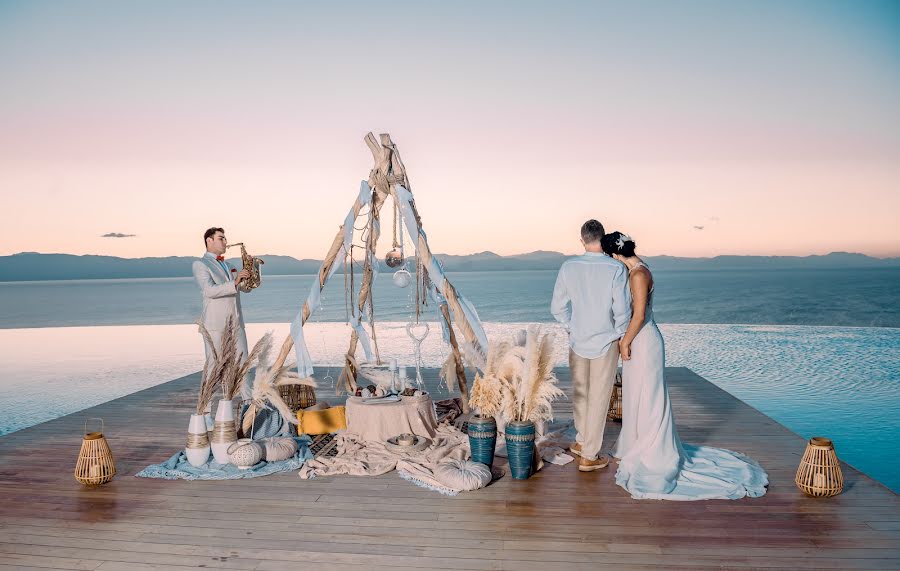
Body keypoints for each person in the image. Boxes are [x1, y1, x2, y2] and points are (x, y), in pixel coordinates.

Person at [603, 231, 768, 500]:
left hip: (644, 341)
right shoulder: (640, 268)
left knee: (650, 397)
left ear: (615, 254)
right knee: (639, 395)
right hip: (641, 338)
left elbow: (641, 314)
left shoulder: (638, 274)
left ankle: (654, 451)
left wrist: (625, 342)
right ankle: (636, 443)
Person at [551, 219, 632, 472]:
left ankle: (581, 441)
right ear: (602, 237)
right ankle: (589, 455)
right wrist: (620, 334)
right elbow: (622, 310)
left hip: (577, 340)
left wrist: (571, 327)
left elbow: (557, 308)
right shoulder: (615, 269)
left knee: (581, 393)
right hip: (605, 341)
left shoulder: (568, 266)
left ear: (582, 239)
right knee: (598, 397)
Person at [192, 227, 253, 401]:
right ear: (209, 241)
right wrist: (235, 281)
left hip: (236, 324)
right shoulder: (200, 264)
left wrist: (250, 276)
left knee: (244, 365)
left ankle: (249, 408)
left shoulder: (230, 266)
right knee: (213, 368)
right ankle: (204, 413)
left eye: (225, 238)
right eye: (221, 238)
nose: (225, 242)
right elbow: (209, 291)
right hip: (215, 325)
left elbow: (242, 289)